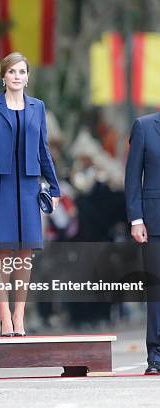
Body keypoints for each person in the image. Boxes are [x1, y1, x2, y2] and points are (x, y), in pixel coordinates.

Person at [0, 52, 60, 336]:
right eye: (12, 72)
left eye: (22, 72)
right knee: (1, 251)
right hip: (0, 183)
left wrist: (54, 185)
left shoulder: (38, 107)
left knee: (25, 252)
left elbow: (43, 149)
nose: (17, 76)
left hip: (28, 185)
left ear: (27, 76)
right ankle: (4, 315)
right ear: (3, 76)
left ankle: (19, 314)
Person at [125, 112, 160, 375]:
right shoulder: (145, 126)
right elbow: (133, 176)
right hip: (153, 221)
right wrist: (136, 219)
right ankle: (156, 355)